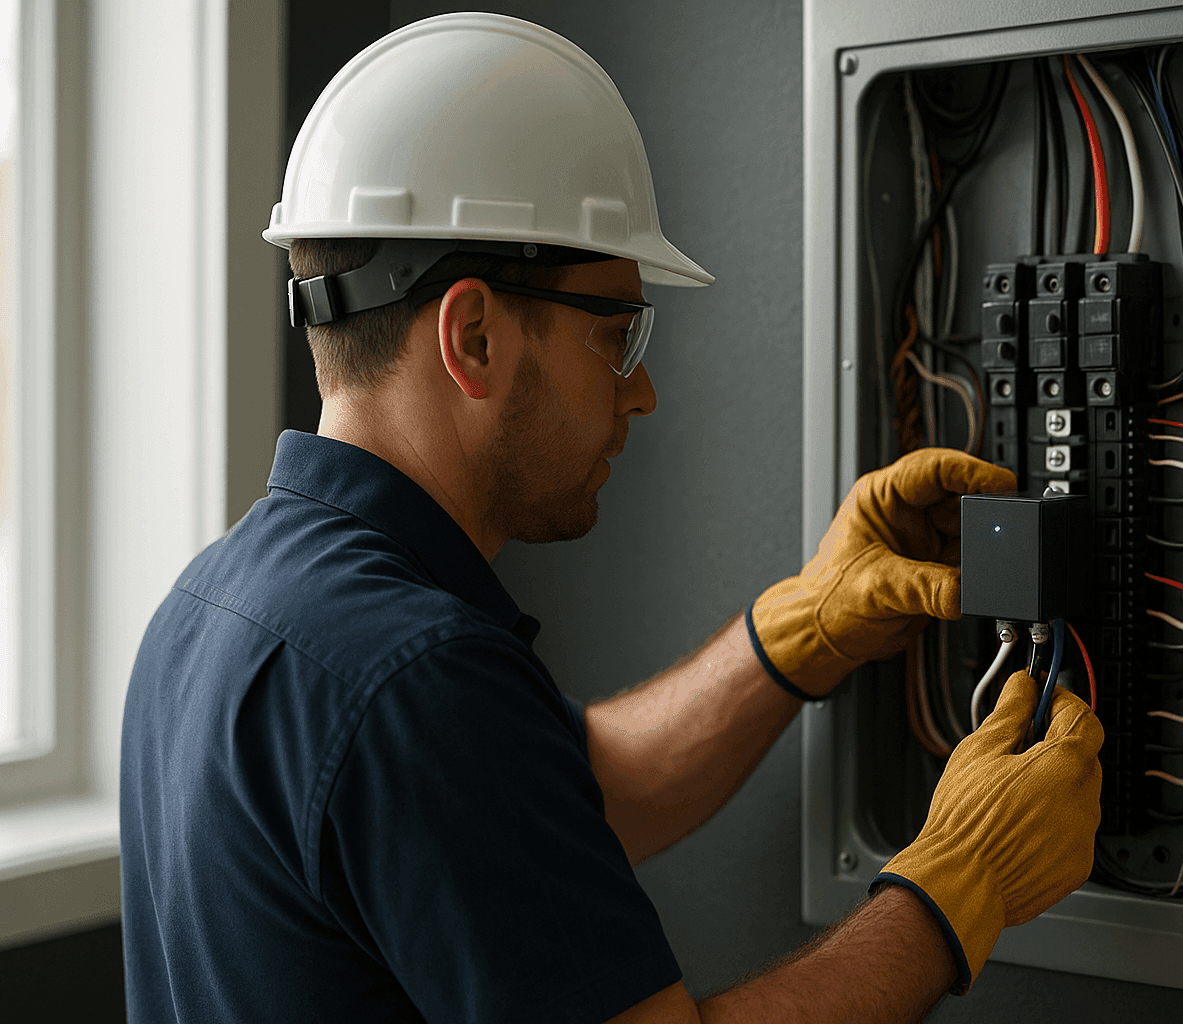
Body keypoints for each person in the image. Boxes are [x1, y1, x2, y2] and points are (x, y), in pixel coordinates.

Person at [119, 13, 1103, 1023]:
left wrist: (805, 623)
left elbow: (538, 811)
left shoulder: (214, 608)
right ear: (474, 336)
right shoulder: (413, 674)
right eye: (617, 335)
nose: (642, 395)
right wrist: (961, 882)